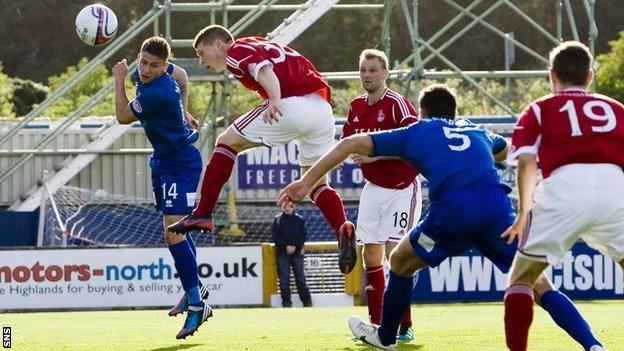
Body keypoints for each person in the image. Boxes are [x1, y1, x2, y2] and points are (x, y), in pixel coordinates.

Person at [278, 84, 602, 350]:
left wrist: (306, 182)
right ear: (455, 112)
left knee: (401, 262)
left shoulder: (418, 130)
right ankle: (593, 345)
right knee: (538, 283)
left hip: (454, 213)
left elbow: (350, 143)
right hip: (496, 211)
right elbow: (506, 151)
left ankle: (387, 337)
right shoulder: (478, 131)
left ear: (423, 112)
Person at [167, 25, 357, 275]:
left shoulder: (235, 50)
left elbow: (264, 70)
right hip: (322, 110)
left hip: (291, 103)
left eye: (202, 53)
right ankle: (342, 226)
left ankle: (203, 213)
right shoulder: (257, 42)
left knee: (226, 142)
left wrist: (275, 98)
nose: (202, 61)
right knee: (314, 183)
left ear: (218, 45)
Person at [502, 41, 623, 351]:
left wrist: (523, 213)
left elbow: (527, 163)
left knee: (521, 280)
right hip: (614, 186)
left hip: (564, 187)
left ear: (551, 74)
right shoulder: (616, 109)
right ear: (591, 75)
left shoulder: (540, 108)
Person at [112, 36, 211, 340]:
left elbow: (122, 116)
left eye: (154, 65)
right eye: (143, 62)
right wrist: (183, 112)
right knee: (174, 231)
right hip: (165, 162)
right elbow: (182, 76)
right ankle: (196, 287)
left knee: (173, 232)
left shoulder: (156, 90)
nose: (145, 69)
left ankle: (197, 305)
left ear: (162, 66)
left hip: (181, 162)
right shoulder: (170, 74)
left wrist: (119, 81)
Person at [343, 49, 421, 341]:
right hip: (373, 189)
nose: (367, 75)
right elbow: (349, 142)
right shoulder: (355, 107)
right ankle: (375, 325)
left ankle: (405, 325)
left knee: (397, 257)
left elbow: (412, 146)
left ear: (385, 73)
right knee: (371, 257)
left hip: (402, 189)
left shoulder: (398, 106)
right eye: (363, 70)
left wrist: (375, 157)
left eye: (373, 70)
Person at [272, 204, 312, 308]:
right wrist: (286, 246)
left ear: (293, 206)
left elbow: (303, 236)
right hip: (282, 253)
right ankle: (286, 303)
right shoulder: (277, 220)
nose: (286, 207)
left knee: (301, 279)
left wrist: (295, 247)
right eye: (284, 205)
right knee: (284, 280)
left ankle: (307, 303)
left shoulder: (300, 220)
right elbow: (275, 236)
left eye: (289, 205)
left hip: (297, 253)